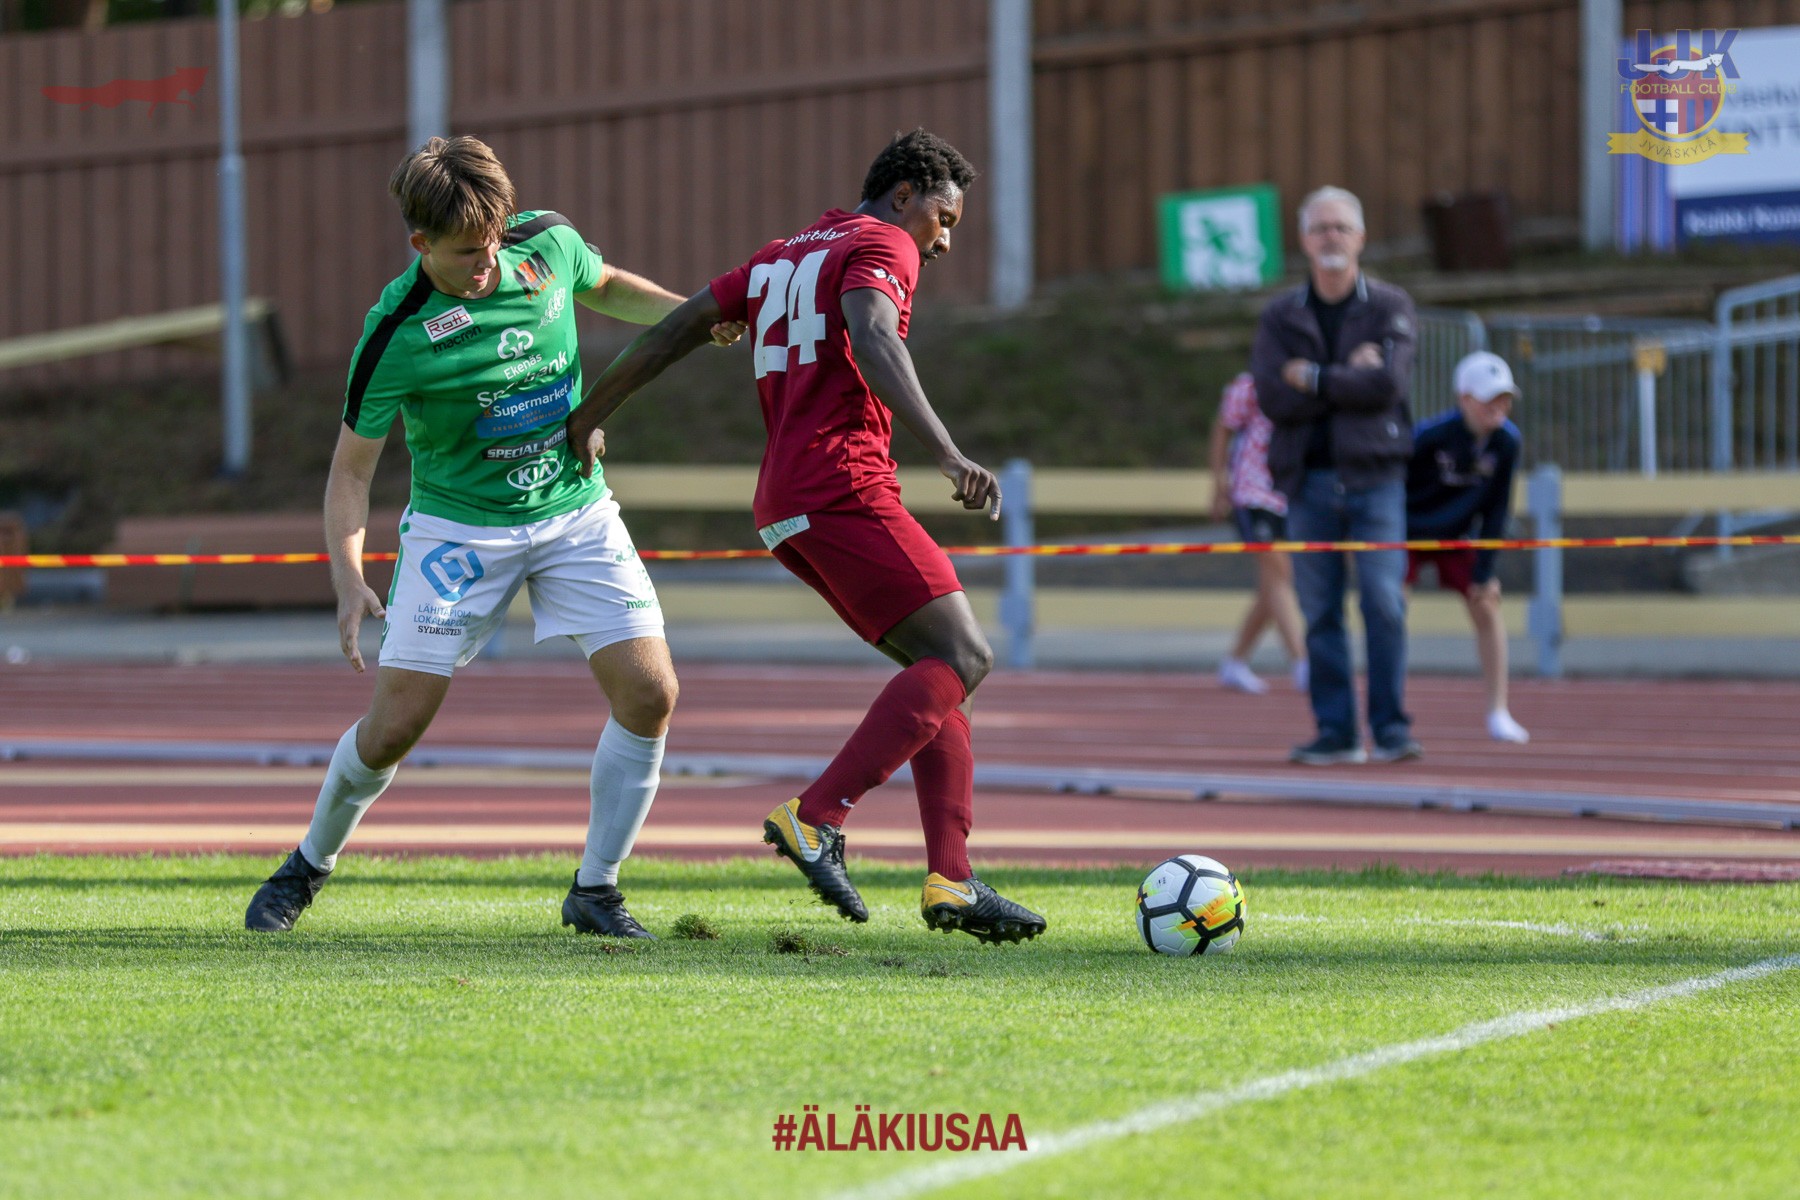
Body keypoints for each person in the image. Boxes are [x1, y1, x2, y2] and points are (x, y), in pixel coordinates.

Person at [243, 136, 742, 936]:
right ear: (420, 243)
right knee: (394, 729)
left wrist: (691, 317)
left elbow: (606, 284)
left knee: (652, 694)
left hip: (574, 512)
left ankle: (596, 891)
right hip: (458, 534)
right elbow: (350, 474)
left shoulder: (547, 244)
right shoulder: (396, 333)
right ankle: (305, 867)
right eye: (466, 254)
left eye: (494, 244)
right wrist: (348, 576)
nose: (487, 266)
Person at [566, 129, 1046, 944]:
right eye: (943, 218)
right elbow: (873, 332)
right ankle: (817, 816)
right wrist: (947, 450)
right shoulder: (883, 242)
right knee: (966, 656)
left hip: (784, 501)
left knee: (940, 671)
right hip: (841, 484)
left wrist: (586, 418)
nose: (942, 241)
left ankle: (953, 879)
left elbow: (671, 333)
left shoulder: (780, 254)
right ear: (905, 195)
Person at [1252, 185, 1420, 766]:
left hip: (1377, 480)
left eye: (1342, 227)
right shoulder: (1280, 315)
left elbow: (1389, 385)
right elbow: (1271, 395)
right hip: (1308, 483)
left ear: (1361, 238)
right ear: (1303, 240)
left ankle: (1390, 729)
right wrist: (1349, 376)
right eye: (1321, 227)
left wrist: (1314, 377)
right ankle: (1336, 731)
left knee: (1384, 602)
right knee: (1320, 612)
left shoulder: (1390, 306)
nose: (1331, 237)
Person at [1407, 351, 1529, 744]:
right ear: (1464, 399)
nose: (1498, 406)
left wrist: (1484, 571)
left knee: (1487, 604)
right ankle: (1387, 707)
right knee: (1389, 607)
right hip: (1407, 533)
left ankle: (1498, 710)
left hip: (1457, 536)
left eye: (1504, 398)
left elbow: (1497, 510)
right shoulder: (1428, 437)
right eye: (1488, 398)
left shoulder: (1507, 443)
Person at [1208, 371, 1307, 694]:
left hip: (1290, 495)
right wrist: (1218, 484)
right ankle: (1302, 662)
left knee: (1273, 586)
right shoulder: (1250, 384)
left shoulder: (1310, 379)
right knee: (1279, 574)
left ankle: (1235, 661)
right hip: (1253, 493)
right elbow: (1222, 428)